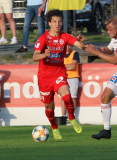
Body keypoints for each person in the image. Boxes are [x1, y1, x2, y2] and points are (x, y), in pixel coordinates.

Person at [33, 9, 86, 140]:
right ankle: (55, 128)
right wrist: (44, 54)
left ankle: (72, 118)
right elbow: (34, 56)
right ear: (49, 23)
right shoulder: (43, 38)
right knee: (49, 106)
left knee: (67, 97)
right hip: (44, 78)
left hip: (59, 73)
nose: (57, 24)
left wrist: (82, 41)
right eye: (55, 21)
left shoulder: (65, 36)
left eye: (60, 21)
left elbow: (80, 46)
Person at [61, 45, 80, 123]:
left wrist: (62, 66)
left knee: (73, 98)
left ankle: (71, 118)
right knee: (63, 97)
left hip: (73, 77)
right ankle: (63, 117)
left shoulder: (75, 53)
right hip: (63, 77)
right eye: (66, 46)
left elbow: (73, 67)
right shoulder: (60, 54)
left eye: (69, 45)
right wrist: (68, 66)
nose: (68, 47)